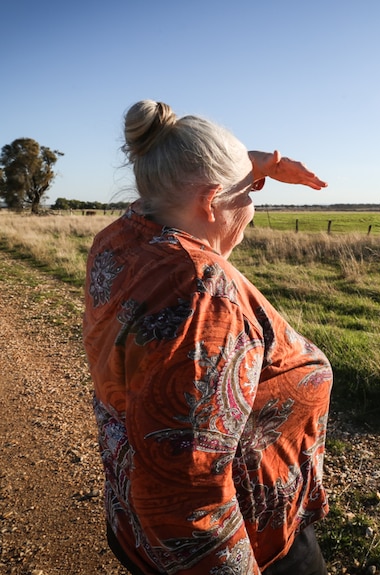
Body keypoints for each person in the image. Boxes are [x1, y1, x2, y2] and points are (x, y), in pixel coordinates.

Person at [82, 100, 332, 575]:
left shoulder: (121, 239)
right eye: (250, 192)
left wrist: (263, 165)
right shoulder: (203, 297)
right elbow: (190, 493)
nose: (253, 205)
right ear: (211, 200)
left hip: (131, 525)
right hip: (252, 544)